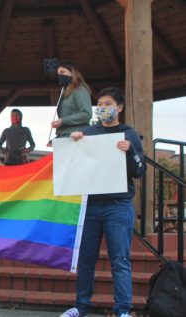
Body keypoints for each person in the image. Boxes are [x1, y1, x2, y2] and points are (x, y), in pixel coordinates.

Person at [60, 87, 145, 317]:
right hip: (90, 205)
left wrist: (130, 152)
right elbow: (73, 163)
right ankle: (81, 306)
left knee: (119, 259)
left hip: (118, 206)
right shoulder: (88, 132)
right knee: (86, 259)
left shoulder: (129, 134)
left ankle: (123, 310)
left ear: (119, 107)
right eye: (100, 104)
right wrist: (73, 140)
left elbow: (140, 170)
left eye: (108, 103)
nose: (103, 108)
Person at [51, 61, 92, 138]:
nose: (60, 75)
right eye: (58, 73)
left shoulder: (79, 89)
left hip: (76, 135)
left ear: (72, 73)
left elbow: (87, 114)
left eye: (62, 72)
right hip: (64, 135)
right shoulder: (64, 92)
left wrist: (62, 121)